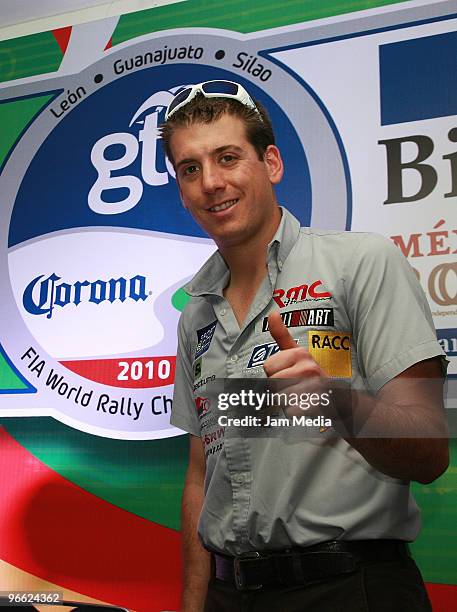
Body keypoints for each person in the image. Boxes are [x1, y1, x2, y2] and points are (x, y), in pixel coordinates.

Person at [160, 80, 449, 612]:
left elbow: (430, 451)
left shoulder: (361, 263)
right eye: (190, 168)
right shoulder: (196, 313)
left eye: (228, 157)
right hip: (231, 593)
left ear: (271, 163)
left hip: (349, 588)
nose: (211, 182)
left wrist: (333, 400)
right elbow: (202, 475)